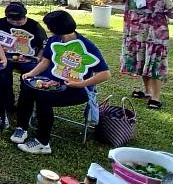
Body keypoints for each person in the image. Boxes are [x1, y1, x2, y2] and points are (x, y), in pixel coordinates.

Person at [13, 10, 110, 154]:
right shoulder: (54, 40)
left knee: (43, 97)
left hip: (75, 89)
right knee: (27, 87)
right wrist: (31, 74)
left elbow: (105, 74)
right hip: (49, 81)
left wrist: (79, 84)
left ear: (58, 28)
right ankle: (22, 128)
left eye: (50, 26)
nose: (48, 29)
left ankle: (42, 142)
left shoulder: (86, 46)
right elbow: (45, 62)